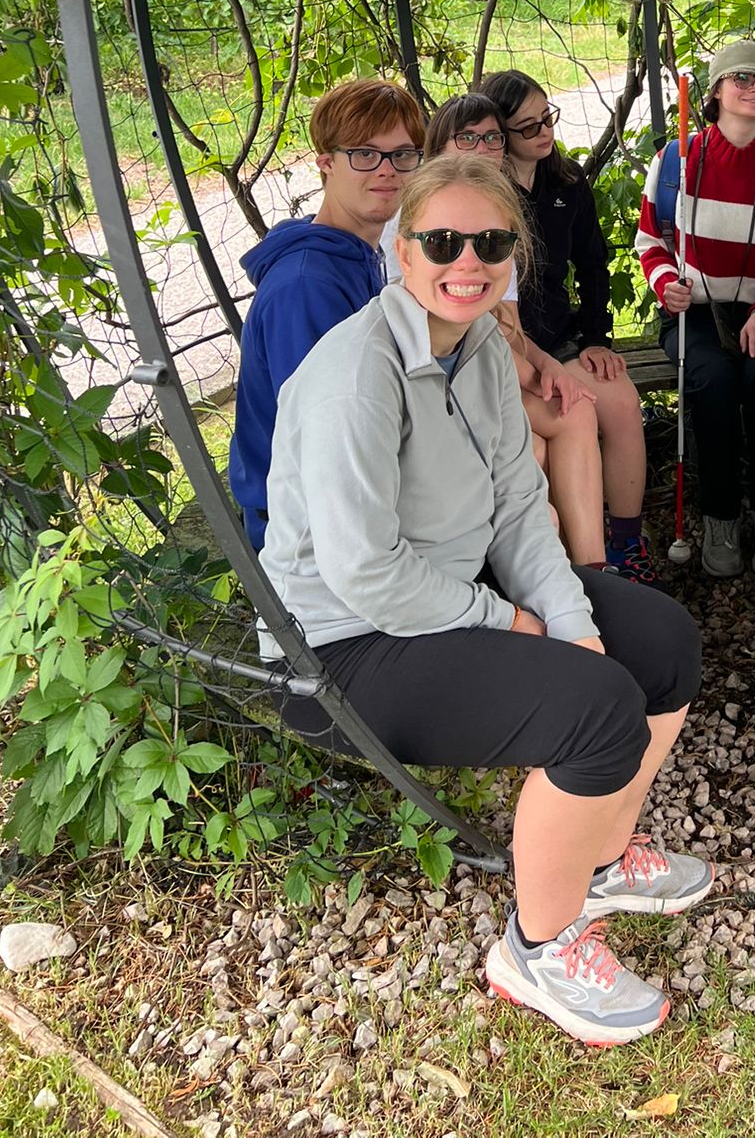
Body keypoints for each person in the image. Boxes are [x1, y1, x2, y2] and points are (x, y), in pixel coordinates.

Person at [259, 153, 708, 1044]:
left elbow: (518, 512)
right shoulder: (358, 374)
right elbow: (365, 572)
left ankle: (599, 860)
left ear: (513, 256)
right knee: (595, 711)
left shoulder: (480, 352)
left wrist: (571, 622)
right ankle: (537, 948)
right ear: (401, 251)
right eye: (442, 242)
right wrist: (509, 620)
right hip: (340, 647)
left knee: (661, 642)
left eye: (491, 243)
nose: (468, 261)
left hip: (449, 592)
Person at [229, 78, 425, 551]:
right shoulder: (306, 286)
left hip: (355, 491)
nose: (387, 170)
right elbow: (329, 443)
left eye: (402, 154)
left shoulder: (355, 253)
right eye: (364, 153)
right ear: (326, 163)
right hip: (308, 531)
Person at [634, 40, 755, 578]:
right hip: (696, 313)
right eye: (742, 79)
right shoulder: (674, 161)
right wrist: (667, 286)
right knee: (711, 380)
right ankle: (720, 516)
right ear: (715, 91)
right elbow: (650, 241)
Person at [482, 69, 654, 582]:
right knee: (568, 411)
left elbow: (593, 264)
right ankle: (575, 553)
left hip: (560, 338)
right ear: (500, 134)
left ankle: (626, 542)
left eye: (547, 117)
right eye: (528, 126)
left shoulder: (568, 182)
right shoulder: (486, 197)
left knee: (621, 401)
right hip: (509, 348)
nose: (544, 132)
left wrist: (597, 338)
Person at [425, 93, 610, 569]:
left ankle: (592, 569)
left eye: (491, 137)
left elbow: (506, 326)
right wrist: (531, 374)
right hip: (441, 385)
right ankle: (553, 575)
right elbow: (463, 330)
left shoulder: (494, 215)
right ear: (440, 147)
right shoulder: (425, 217)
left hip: (488, 372)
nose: (484, 148)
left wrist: (547, 367)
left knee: (573, 407)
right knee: (537, 445)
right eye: (468, 138)